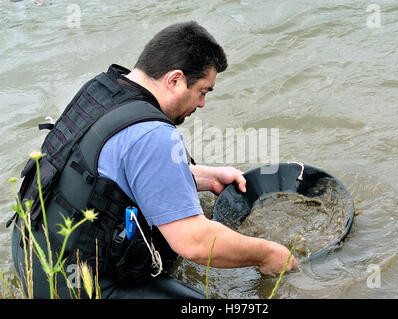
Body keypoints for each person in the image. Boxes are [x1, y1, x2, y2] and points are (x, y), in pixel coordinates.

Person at [10, 21, 298, 299]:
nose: (202, 104)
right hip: (74, 286)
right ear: (175, 79)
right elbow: (194, 243)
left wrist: (203, 178)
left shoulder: (102, 89)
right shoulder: (153, 133)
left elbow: (107, 171)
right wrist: (268, 254)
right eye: (202, 92)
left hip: (30, 254)